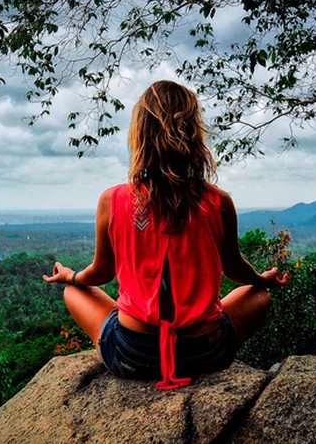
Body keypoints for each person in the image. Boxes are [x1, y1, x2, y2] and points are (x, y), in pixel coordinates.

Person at [43, 80, 288, 389]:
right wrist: (262, 279)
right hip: (207, 351)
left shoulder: (112, 199)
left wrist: (69, 277)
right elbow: (235, 269)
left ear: (140, 135)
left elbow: (100, 274)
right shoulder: (217, 200)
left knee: (73, 292)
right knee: (259, 296)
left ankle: (135, 333)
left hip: (132, 353)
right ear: (194, 134)